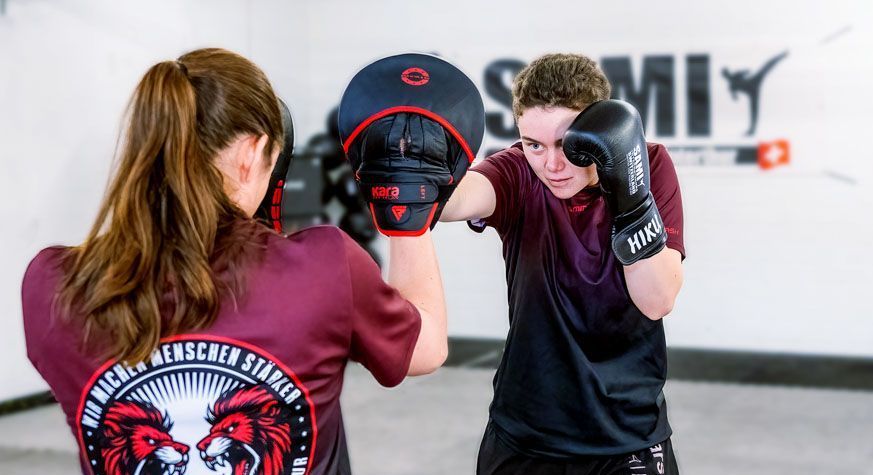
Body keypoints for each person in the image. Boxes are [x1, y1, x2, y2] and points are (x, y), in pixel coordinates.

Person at [21, 48, 449, 475]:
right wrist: (408, 205)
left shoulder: (52, 285)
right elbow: (424, 350)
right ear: (251, 153)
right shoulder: (326, 268)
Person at [440, 53, 686, 474]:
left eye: (567, 144)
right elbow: (459, 200)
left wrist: (629, 197)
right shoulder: (519, 171)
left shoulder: (648, 165)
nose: (551, 165)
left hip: (625, 433)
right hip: (526, 429)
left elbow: (657, 300)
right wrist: (418, 174)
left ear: (602, 128)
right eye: (534, 144)